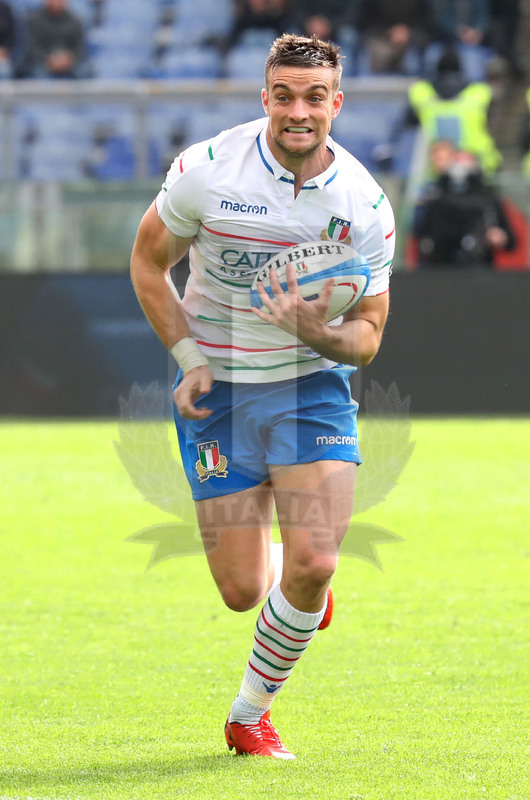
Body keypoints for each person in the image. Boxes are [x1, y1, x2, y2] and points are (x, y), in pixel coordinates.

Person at [130, 33, 394, 759]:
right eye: (284, 95)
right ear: (266, 99)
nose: (298, 111)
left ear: (336, 103)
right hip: (219, 386)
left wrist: (317, 330)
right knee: (244, 590)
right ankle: (291, 595)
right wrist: (186, 359)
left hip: (312, 385)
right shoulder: (208, 173)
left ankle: (250, 713)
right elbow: (148, 264)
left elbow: (368, 333)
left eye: (315, 97)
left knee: (317, 562)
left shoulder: (364, 204)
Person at [374, 49, 502, 176]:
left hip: (437, 166)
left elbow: (407, 125)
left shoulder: (421, 92)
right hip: (480, 164)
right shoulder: (479, 92)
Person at [412, 146, 516, 268]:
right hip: (441, 268)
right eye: (457, 162)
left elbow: (511, 241)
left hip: (478, 268)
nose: (461, 168)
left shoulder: (486, 200)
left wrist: (500, 237)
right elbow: (421, 235)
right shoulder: (436, 198)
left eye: (466, 162)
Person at [356, 0, 434, 75]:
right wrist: (390, 33)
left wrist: (408, 33)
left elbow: (428, 26)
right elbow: (364, 24)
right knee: (365, 56)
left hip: (413, 42)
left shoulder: (420, 4)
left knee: (416, 58)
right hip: (379, 41)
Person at [24, 0, 85, 78]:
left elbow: (79, 48)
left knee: (83, 71)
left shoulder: (75, 21)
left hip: (69, 63)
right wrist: (49, 60)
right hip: (43, 62)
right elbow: (32, 47)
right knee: (36, 71)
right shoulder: (34, 20)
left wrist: (68, 60)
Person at [0, 0, 15, 79]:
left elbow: (11, 35)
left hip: (2, 53)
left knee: (3, 70)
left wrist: (4, 50)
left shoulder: (4, 8)